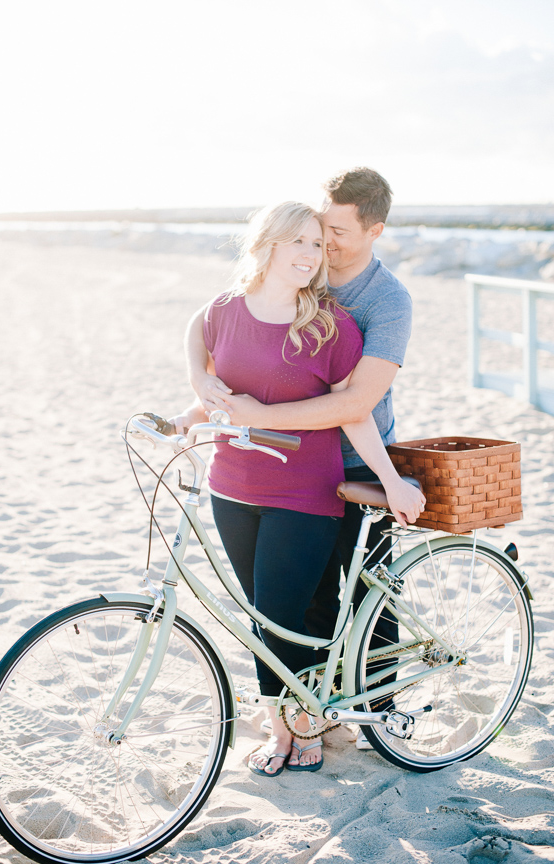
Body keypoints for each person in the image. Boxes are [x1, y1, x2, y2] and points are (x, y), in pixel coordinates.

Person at [176, 201, 424, 776]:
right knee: (263, 617)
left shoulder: (330, 324)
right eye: (302, 243)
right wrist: (182, 418)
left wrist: (391, 480)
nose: (314, 256)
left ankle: (305, 721)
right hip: (230, 486)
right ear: (268, 245)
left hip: (305, 493)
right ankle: (281, 720)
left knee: (282, 615)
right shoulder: (223, 312)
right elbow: (217, 385)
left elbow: (354, 413)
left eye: (319, 244)